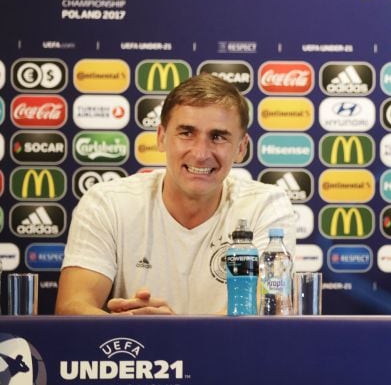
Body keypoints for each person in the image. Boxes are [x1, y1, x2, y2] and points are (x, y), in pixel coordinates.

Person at [55, 73, 296, 315]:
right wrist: (129, 327)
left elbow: (267, 311)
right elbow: (71, 308)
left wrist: (167, 333)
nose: (201, 153)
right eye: (186, 133)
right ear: (161, 138)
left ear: (241, 148)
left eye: (217, 137)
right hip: (139, 354)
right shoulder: (107, 203)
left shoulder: (266, 205)